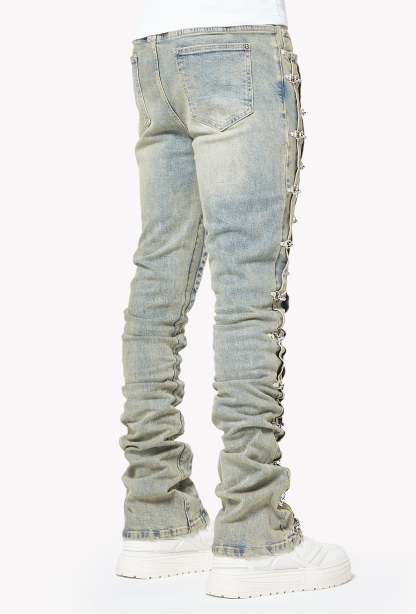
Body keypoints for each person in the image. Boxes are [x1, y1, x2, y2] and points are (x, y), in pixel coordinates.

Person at [116, 0, 352, 599]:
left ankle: (156, 510)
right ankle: (254, 527)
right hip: (241, 39)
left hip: (155, 45)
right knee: (248, 292)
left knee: (159, 278)